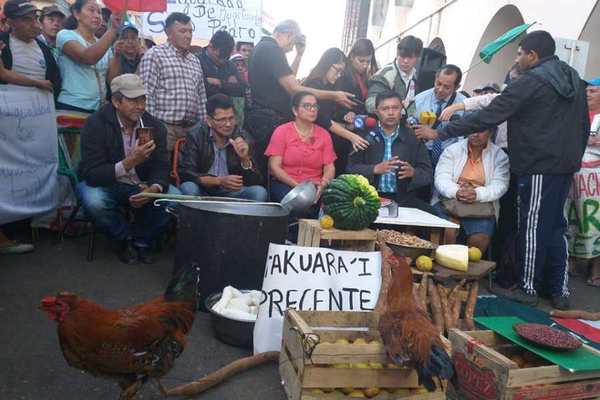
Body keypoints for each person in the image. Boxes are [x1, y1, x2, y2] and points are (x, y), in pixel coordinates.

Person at [415, 31, 589, 310]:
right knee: (557, 226)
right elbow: (583, 125)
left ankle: (528, 287)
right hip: (565, 165)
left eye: (520, 53)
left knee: (532, 225)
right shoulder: (574, 80)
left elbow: (490, 114)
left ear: (533, 55)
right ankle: (559, 290)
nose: (517, 58)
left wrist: (442, 132)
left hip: (539, 163)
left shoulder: (533, 81)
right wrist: (574, 159)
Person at [77, 74, 173, 265]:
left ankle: (142, 241)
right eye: (133, 100)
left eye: (143, 99)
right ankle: (124, 239)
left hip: (140, 183)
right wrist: (130, 162)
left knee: (172, 200)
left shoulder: (154, 126)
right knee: (93, 200)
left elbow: (162, 166)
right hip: (107, 183)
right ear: (115, 101)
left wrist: (153, 188)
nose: (140, 106)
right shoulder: (96, 124)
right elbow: (92, 174)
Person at [245, 19, 357, 178]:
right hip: (268, 117)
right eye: (293, 45)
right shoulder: (272, 50)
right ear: (289, 35)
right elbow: (293, 88)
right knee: (270, 171)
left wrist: (299, 54)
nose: (291, 49)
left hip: (262, 115)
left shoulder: (261, 48)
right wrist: (334, 95)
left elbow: (289, 79)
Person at [347, 91, 434, 214]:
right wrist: (375, 169)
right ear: (377, 112)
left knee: (433, 217)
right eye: (385, 108)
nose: (391, 112)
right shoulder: (364, 135)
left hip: (404, 199)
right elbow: (350, 169)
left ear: (401, 110)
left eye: (395, 108)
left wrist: (413, 173)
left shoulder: (413, 137)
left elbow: (428, 174)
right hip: (369, 197)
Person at [432, 128, 509, 254]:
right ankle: (442, 270)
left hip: (481, 205)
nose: (475, 133)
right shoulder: (452, 150)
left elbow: (500, 184)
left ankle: (468, 273)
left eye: (481, 130)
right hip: (449, 200)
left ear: (490, 132)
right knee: (448, 231)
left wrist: (477, 194)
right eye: (472, 128)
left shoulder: (499, 155)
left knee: (480, 238)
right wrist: (456, 192)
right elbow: (441, 178)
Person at [139, 12, 207, 152]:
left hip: (191, 130)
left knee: (186, 172)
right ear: (168, 33)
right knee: (162, 169)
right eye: (182, 31)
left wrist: (203, 130)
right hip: (164, 127)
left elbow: (201, 100)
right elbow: (146, 97)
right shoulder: (155, 55)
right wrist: (148, 131)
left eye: (190, 31)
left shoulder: (194, 60)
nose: (188, 35)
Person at [178, 94, 266, 201]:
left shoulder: (243, 137)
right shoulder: (195, 135)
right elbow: (186, 174)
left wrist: (245, 158)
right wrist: (219, 181)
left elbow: (255, 181)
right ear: (209, 121)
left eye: (231, 118)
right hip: (202, 190)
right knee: (188, 188)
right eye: (222, 119)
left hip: (231, 192)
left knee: (259, 192)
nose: (228, 124)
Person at [304, 47, 370, 175]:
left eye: (341, 72)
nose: (339, 75)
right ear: (327, 65)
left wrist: (346, 115)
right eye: (337, 70)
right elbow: (323, 119)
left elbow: (333, 113)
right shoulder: (314, 85)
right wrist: (351, 136)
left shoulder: (330, 86)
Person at [265, 91, 336, 203]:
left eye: (315, 106)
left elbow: (329, 167)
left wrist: (324, 183)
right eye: (307, 106)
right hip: (286, 184)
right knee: (296, 203)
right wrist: (299, 188)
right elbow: (273, 167)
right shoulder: (282, 131)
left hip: (315, 186)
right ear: (295, 110)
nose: (312, 109)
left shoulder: (324, 134)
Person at [56, 0, 123, 113]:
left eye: (99, 12)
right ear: (77, 14)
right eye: (91, 10)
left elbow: (113, 80)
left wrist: (116, 55)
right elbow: (88, 57)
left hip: (99, 108)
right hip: (73, 106)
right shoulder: (65, 35)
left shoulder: (103, 44)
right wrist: (112, 30)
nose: (97, 16)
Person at [566, 77, 600, 287]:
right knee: (571, 219)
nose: (588, 94)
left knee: (595, 223)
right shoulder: (576, 113)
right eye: (587, 91)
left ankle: (597, 268)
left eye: (594, 91)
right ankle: (570, 261)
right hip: (572, 175)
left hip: (596, 181)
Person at [0, 0, 60, 94]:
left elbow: (53, 81)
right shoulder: (2, 43)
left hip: (41, 106)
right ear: (10, 22)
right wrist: (37, 83)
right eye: (26, 19)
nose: (34, 24)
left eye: (35, 18)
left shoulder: (45, 49)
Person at [412, 64, 467, 166]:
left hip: (450, 156)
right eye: (438, 83)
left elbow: (467, 130)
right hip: (422, 153)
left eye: (447, 87)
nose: (440, 89)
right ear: (435, 79)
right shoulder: (419, 99)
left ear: (457, 87)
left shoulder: (464, 104)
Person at [366, 35, 422, 113]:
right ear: (397, 53)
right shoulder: (384, 76)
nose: (405, 61)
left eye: (410, 57)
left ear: (418, 58)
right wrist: (394, 106)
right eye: (402, 56)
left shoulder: (414, 76)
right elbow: (370, 104)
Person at [196, 30, 244, 99]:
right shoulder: (196, 61)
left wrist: (220, 83)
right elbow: (201, 88)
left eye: (226, 57)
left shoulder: (230, 65)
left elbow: (241, 89)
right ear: (210, 47)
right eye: (219, 57)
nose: (222, 61)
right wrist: (229, 85)